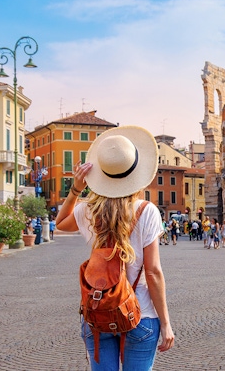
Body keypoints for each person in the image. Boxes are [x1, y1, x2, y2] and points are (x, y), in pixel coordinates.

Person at [55, 126, 174, 369]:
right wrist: (166, 322)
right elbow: (152, 272)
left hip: (99, 312)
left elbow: (59, 224)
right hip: (140, 314)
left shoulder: (88, 209)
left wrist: (77, 188)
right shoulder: (146, 211)